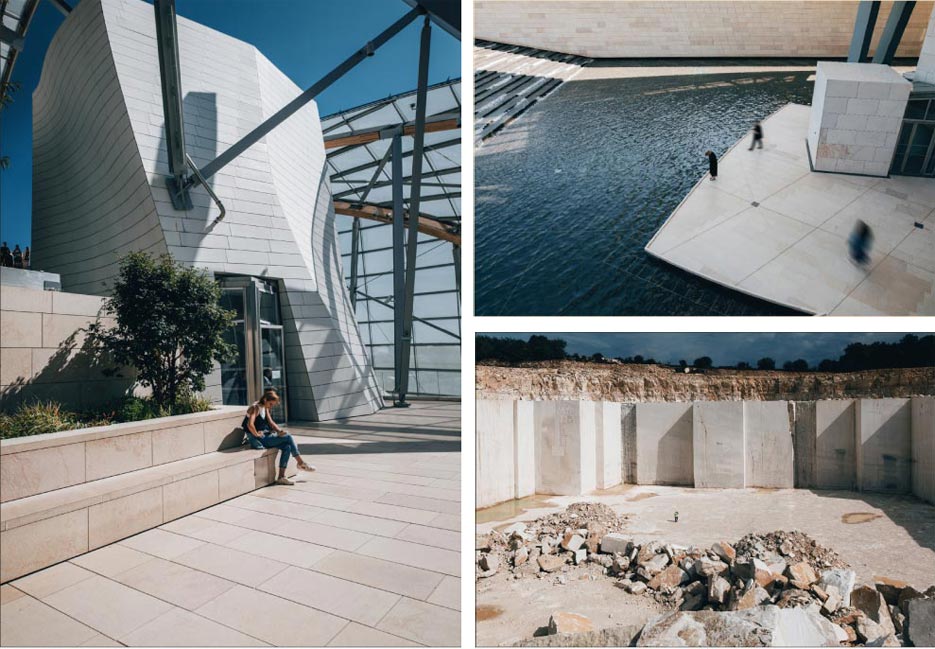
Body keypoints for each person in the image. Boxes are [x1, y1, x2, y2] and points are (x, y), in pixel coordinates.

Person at [242, 389, 315, 485]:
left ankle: (281, 477)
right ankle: (300, 463)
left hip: (266, 436)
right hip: (260, 439)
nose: (271, 406)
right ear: (265, 400)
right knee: (288, 437)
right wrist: (256, 434)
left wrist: (279, 431)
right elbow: (249, 424)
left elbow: (271, 423)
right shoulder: (255, 408)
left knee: (287, 446)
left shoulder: (265, 408)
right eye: (271, 404)